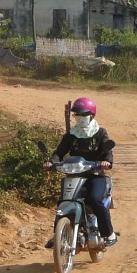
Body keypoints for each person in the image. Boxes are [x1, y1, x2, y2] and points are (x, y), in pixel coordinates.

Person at [45, 96, 118, 247]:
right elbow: (59, 152)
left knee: (94, 199)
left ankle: (108, 233)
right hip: (74, 175)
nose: (80, 118)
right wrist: (52, 162)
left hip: (95, 175)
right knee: (63, 202)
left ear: (92, 115)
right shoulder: (71, 134)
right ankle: (58, 235)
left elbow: (107, 151)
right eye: (77, 114)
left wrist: (106, 162)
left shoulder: (100, 132)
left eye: (84, 114)